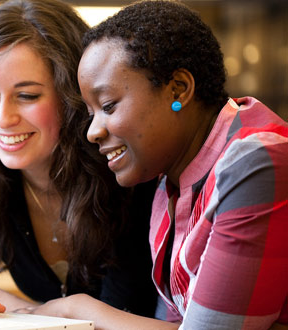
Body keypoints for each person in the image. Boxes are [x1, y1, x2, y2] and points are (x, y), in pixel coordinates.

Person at [30, 0, 288, 329]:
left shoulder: (257, 163)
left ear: (178, 88)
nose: (92, 132)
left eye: (108, 105)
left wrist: (78, 309)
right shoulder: (172, 178)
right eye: (91, 112)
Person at [0, 0, 157, 316]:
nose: (3, 119)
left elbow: (117, 317)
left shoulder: (125, 175)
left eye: (27, 96)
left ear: (73, 98)